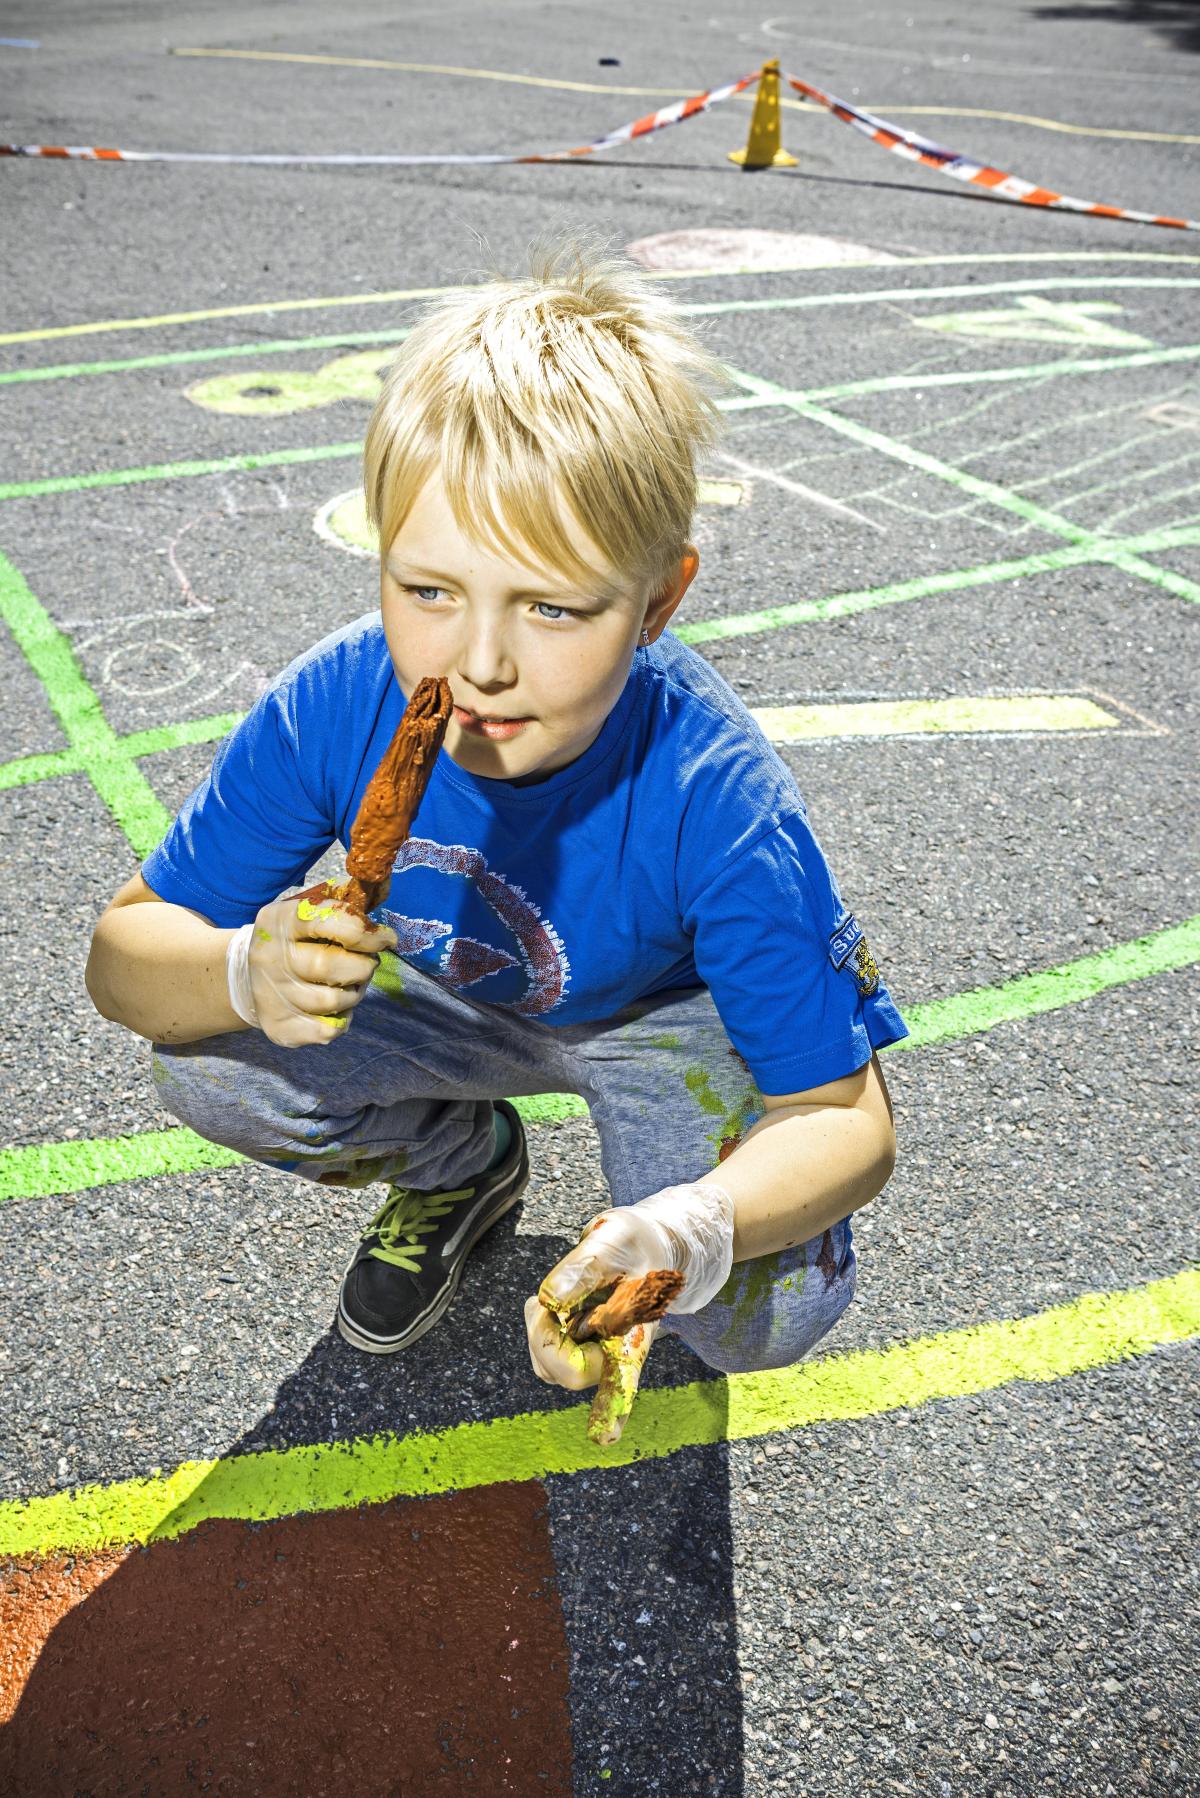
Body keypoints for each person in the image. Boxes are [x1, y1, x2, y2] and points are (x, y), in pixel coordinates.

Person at [85, 234, 908, 1432]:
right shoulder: (336, 703)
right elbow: (122, 957)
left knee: (756, 1316)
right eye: (428, 590)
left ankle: (667, 1214)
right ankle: (463, 1169)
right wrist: (235, 969)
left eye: (553, 606)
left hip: (656, 1022)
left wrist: (691, 1225)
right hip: (449, 997)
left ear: (659, 601)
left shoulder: (722, 797)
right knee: (208, 1058)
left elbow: (847, 1119)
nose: (477, 662)